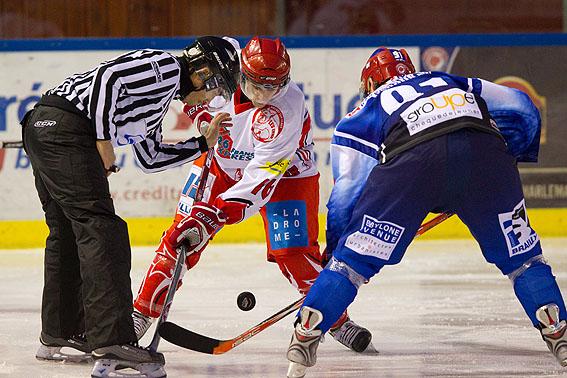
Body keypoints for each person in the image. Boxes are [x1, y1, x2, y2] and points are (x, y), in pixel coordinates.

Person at [285, 47, 567, 377]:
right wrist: (509, 158)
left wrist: (335, 255)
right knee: (523, 259)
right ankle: (557, 328)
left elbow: (345, 195)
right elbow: (522, 104)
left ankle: (307, 331)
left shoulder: (363, 110)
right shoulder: (450, 79)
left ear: (371, 82)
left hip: (413, 165)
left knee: (352, 265)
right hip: (486, 157)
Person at [131, 36, 373, 354]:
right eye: (257, 85)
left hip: (285, 176)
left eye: (273, 87)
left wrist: (216, 214)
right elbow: (181, 82)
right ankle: (141, 314)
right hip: (219, 163)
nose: (263, 95)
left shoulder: (287, 106)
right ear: (239, 71)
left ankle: (336, 320)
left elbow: (261, 176)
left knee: (295, 255)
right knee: (180, 237)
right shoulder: (218, 67)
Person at [21, 36, 240, 378]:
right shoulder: (166, 67)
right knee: (103, 230)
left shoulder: (157, 102)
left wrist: (202, 143)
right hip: (65, 129)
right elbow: (110, 78)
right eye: (217, 88)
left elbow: (150, 159)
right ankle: (113, 339)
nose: (212, 98)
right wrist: (104, 141)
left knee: (67, 232)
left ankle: (59, 332)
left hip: (43, 126)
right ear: (203, 72)